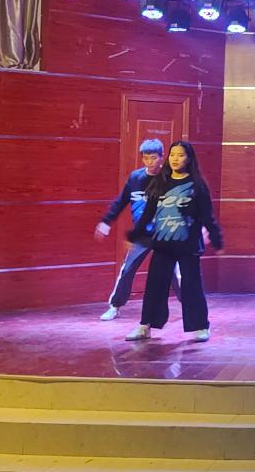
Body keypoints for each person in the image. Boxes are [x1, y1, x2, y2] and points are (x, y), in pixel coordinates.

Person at [124, 140, 223, 343]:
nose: (175, 159)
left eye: (180, 155)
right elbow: (148, 214)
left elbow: (207, 216)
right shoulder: (160, 182)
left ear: (189, 158)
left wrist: (216, 239)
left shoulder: (197, 185)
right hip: (163, 244)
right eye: (172, 155)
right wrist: (134, 235)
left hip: (188, 245)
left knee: (192, 286)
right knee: (154, 286)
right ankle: (145, 326)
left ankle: (200, 327)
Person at [93, 138, 180, 320]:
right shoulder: (135, 178)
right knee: (127, 269)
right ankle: (115, 306)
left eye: (153, 158)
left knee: (176, 274)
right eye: (146, 158)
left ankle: (189, 306)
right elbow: (121, 202)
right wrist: (106, 222)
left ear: (161, 157)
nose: (149, 162)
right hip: (142, 235)